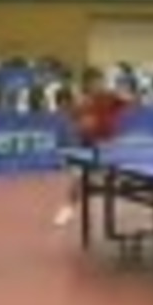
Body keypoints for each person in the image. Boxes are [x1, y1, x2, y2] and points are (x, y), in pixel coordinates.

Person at [54, 69, 133, 227]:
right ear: (87, 84)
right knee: (76, 179)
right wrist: (82, 124)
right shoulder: (81, 102)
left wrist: (120, 94)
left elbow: (130, 100)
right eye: (95, 82)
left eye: (100, 81)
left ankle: (114, 207)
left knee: (119, 177)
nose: (98, 85)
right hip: (87, 147)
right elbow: (74, 119)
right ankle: (68, 209)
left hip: (109, 148)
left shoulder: (110, 97)